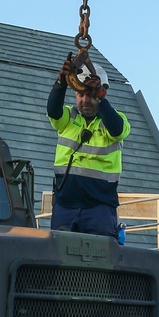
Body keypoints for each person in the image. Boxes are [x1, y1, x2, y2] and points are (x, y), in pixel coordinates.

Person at [46, 54, 130, 237]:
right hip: (65, 206)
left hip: (99, 209)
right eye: (80, 94)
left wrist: (101, 98)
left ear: (102, 94)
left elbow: (117, 129)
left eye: (90, 96)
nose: (85, 101)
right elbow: (53, 109)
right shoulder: (68, 117)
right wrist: (60, 82)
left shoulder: (115, 120)